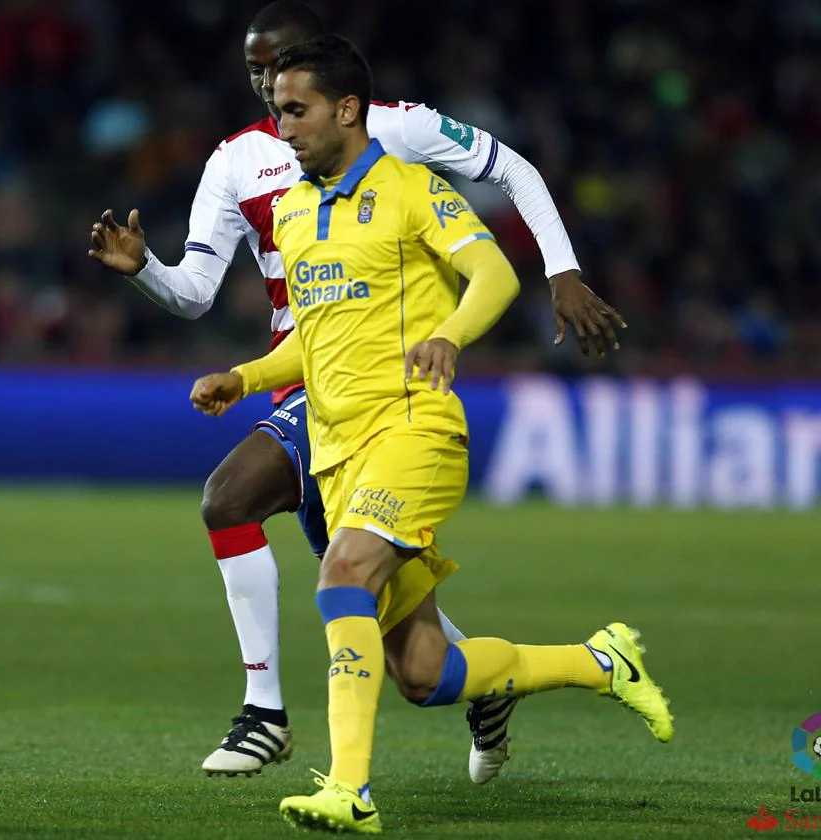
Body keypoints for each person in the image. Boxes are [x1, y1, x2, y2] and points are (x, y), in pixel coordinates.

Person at [88, 0, 626, 781]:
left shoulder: (390, 131)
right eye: (253, 71)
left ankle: (269, 718)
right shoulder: (236, 160)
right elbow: (197, 291)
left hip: (370, 384)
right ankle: (486, 683)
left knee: (230, 499)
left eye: (275, 66)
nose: (263, 83)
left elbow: (510, 168)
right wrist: (147, 274)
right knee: (402, 634)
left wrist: (562, 269)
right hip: (301, 375)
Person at [188, 35, 673, 835]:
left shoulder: (413, 188)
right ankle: (601, 661)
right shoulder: (297, 215)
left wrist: (449, 333)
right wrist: (245, 376)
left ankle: (348, 788)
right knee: (423, 673)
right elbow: (314, 336)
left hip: (413, 431)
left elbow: (494, 274)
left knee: (341, 575)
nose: (282, 129)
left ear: (346, 110)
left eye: (296, 111)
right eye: (277, 114)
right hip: (340, 451)